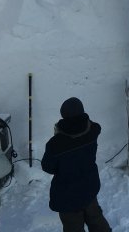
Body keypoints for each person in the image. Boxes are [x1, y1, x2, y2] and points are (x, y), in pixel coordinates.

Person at [41, 98, 112, 232]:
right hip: (89, 186)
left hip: (68, 195)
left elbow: (47, 167)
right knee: (95, 218)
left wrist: (59, 134)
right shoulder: (93, 130)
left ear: (63, 115)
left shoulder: (55, 144)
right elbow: (91, 127)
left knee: (73, 226)